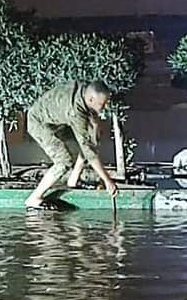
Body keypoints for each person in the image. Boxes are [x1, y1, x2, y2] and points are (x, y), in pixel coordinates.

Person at [24, 80, 118, 210]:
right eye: (102, 104)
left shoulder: (84, 91)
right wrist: (107, 181)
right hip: (38, 123)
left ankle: (73, 180)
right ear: (91, 99)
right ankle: (34, 198)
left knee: (91, 135)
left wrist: (95, 126)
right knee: (64, 161)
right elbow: (89, 151)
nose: (105, 107)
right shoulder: (75, 111)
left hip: (56, 119)